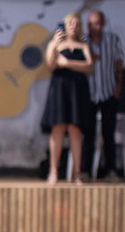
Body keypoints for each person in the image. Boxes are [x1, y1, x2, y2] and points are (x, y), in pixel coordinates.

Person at [40, 13, 94, 185]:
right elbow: (51, 64)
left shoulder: (83, 45)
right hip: (59, 90)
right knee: (57, 129)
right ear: (65, 25)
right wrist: (54, 45)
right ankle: (53, 172)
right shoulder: (55, 44)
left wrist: (67, 63)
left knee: (75, 131)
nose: (74, 27)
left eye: (77, 24)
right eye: (71, 23)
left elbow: (89, 67)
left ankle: (77, 173)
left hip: (77, 91)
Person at [81, 10, 124, 182]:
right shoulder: (82, 42)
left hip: (108, 92)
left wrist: (119, 86)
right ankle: (85, 172)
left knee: (108, 134)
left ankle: (111, 170)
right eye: (90, 24)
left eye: (97, 23)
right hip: (89, 94)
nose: (93, 27)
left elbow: (119, 64)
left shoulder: (113, 40)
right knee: (88, 134)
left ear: (104, 23)